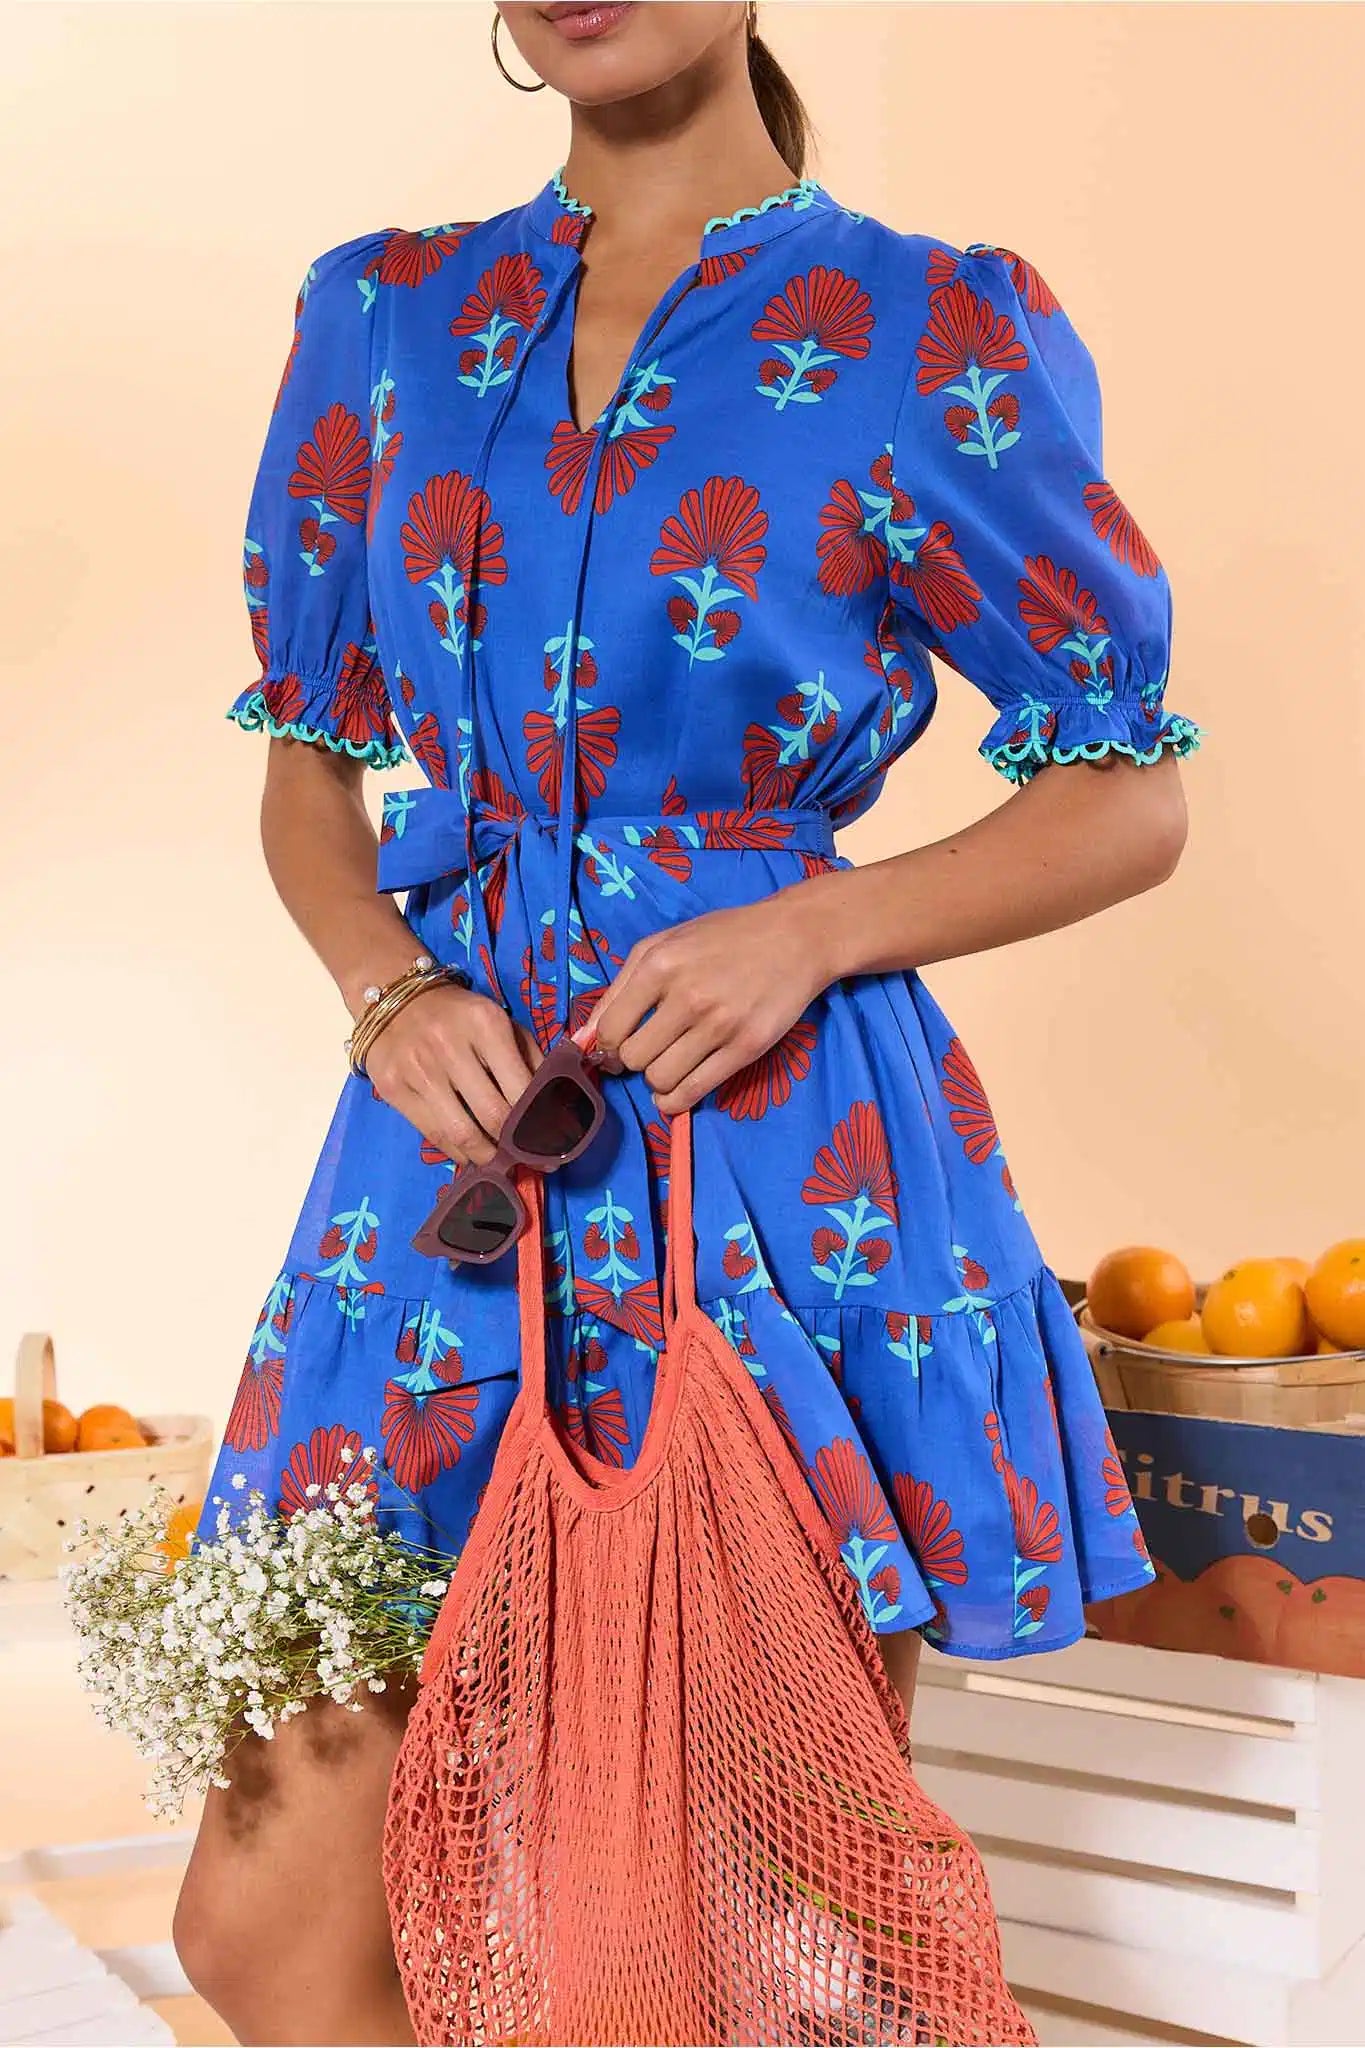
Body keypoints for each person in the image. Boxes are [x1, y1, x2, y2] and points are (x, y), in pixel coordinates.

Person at [173, 3, 1198, 2039]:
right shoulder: (381, 318)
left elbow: (1126, 785)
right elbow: (308, 762)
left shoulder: (921, 329)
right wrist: (384, 983)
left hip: (771, 1165)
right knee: (267, 1917)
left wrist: (813, 929)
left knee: (719, 1926)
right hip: (449, 1145)